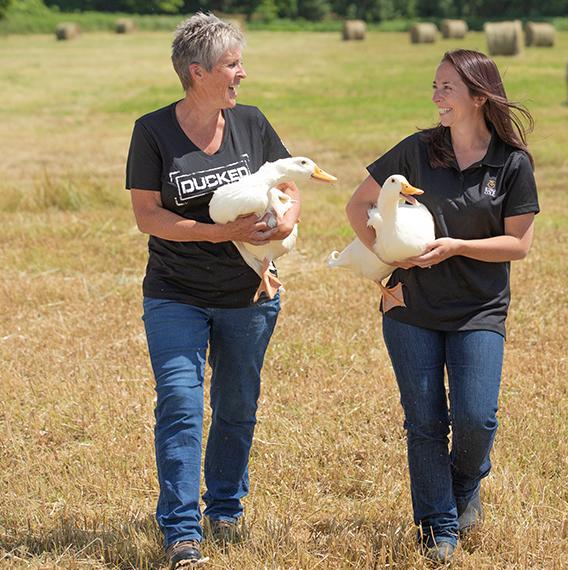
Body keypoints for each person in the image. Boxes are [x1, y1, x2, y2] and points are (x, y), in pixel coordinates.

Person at [345, 49, 539, 562]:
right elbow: (357, 204)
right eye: (435, 86)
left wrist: (457, 247)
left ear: (479, 96)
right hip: (411, 307)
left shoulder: (512, 163)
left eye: (447, 87)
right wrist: (385, 255)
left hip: (479, 309)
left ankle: (464, 482)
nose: (436, 95)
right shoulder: (416, 151)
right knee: (425, 421)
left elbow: (518, 244)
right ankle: (438, 528)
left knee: (477, 420)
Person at [125, 13, 298, 569]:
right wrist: (221, 233)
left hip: (247, 295)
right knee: (179, 403)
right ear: (197, 72)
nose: (242, 74)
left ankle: (224, 508)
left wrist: (286, 221)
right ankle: (180, 530)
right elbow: (148, 216)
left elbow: (287, 184)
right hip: (174, 292)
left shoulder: (250, 123)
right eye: (232, 65)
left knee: (236, 405)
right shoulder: (152, 131)